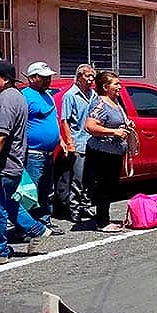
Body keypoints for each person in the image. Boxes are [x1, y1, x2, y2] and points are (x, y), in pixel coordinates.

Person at [0, 60, 51, 269]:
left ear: (5, 79)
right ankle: (38, 231)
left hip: (1, 167)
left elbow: (0, 136)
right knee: (9, 203)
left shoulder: (7, 100)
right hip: (8, 165)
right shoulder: (13, 96)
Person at [83, 70, 133, 233]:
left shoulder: (115, 102)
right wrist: (114, 132)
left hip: (114, 152)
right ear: (105, 87)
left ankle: (103, 217)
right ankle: (102, 222)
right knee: (104, 186)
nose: (120, 86)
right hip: (102, 153)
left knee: (110, 186)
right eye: (116, 84)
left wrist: (125, 126)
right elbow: (90, 126)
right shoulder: (100, 103)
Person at [22, 61, 63, 234]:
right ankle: (27, 225)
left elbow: (52, 120)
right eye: (44, 77)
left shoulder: (48, 96)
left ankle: (44, 220)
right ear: (32, 78)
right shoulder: (24, 96)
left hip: (48, 153)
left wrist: (60, 139)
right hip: (33, 153)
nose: (48, 81)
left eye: (49, 77)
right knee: (30, 191)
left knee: (47, 189)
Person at [55, 64, 97, 222]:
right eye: (87, 76)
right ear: (79, 77)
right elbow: (64, 120)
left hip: (92, 143)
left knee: (90, 178)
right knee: (77, 179)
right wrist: (70, 142)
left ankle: (85, 205)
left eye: (92, 76)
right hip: (78, 142)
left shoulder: (93, 95)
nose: (90, 80)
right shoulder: (70, 95)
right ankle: (73, 208)